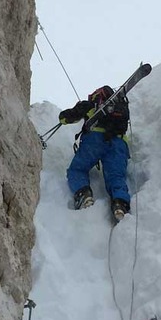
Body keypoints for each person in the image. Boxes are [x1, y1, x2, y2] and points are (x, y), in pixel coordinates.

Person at [58, 86, 132, 220]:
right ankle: (120, 203)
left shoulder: (91, 105)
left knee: (78, 170)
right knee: (116, 176)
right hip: (119, 142)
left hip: (94, 140)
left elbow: (65, 118)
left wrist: (64, 117)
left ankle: (84, 194)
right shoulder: (120, 108)